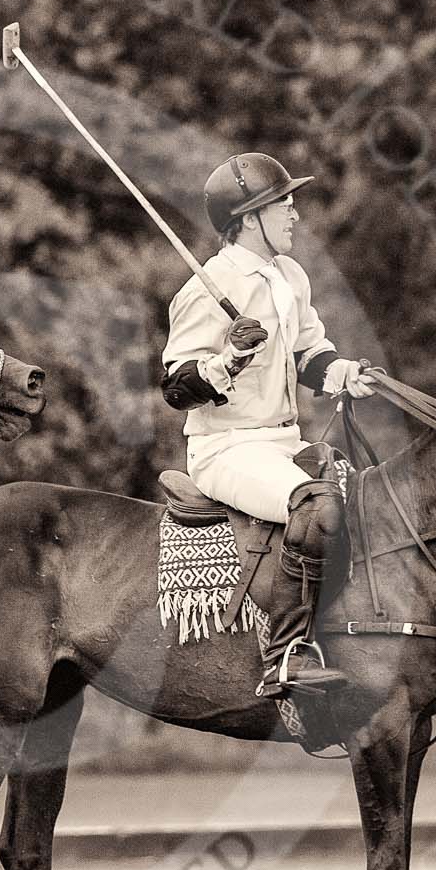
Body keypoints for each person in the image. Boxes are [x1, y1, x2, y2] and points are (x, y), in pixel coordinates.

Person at [159, 152, 377, 704]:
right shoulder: (207, 287)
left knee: (366, 497)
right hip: (226, 448)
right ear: (250, 215)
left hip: (282, 442)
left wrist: (342, 373)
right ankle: (286, 655)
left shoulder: (290, 277)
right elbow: (176, 387)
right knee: (316, 506)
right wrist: (227, 358)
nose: (294, 214)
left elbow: (309, 355)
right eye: (284, 203)